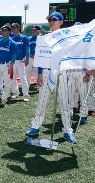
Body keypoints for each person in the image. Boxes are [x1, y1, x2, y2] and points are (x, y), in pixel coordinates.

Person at [26, 11, 77, 144]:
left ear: (61, 22)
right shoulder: (44, 38)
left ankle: (67, 131)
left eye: (54, 19)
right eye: (50, 19)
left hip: (62, 72)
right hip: (47, 72)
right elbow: (41, 57)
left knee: (65, 103)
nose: (51, 21)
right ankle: (35, 127)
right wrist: (40, 74)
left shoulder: (67, 37)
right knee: (42, 102)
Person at [10, 23, 30, 101]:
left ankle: (25, 95)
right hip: (13, 61)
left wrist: (27, 58)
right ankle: (15, 93)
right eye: (12, 28)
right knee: (13, 78)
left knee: (23, 78)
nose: (14, 29)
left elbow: (27, 49)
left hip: (21, 61)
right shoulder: (12, 38)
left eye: (15, 28)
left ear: (18, 29)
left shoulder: (24, 38)